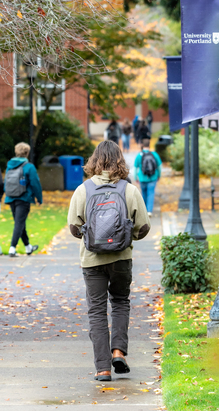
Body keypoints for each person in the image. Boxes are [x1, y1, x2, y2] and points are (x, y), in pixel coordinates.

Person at [67, 140, 150, 382]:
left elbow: (74, 227)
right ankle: (118, 352)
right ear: (119, 161)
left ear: (94, 161)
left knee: (96, 311)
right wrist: (126, 235)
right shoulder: (129, 190)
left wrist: (90, 234)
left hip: (92, 259)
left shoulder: (83, 190)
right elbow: (144, 227)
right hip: (121, 258)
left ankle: (102, 368)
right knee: (121, 302)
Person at [4, 142, 42, 257]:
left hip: (11, 197)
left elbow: (6, 182)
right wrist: (39, 198)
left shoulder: (10, 165)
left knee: (19, 222)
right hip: (24, 198)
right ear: (27, 153)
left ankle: (28, 247)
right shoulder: (29, 167)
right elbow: (35, 184)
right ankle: (12, 248)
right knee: (19, 223)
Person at [134, 138, 162, 216]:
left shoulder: (139, 155)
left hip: (142, 178)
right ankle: (149, 211)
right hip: (153, 177)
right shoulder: (154, 154)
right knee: (151, 193)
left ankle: (144, 211)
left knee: (143, 193)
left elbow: (135, 167)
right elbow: (159, 166)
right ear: (149, 145)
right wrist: (159, 175)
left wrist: (135, 177)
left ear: (142, 145)